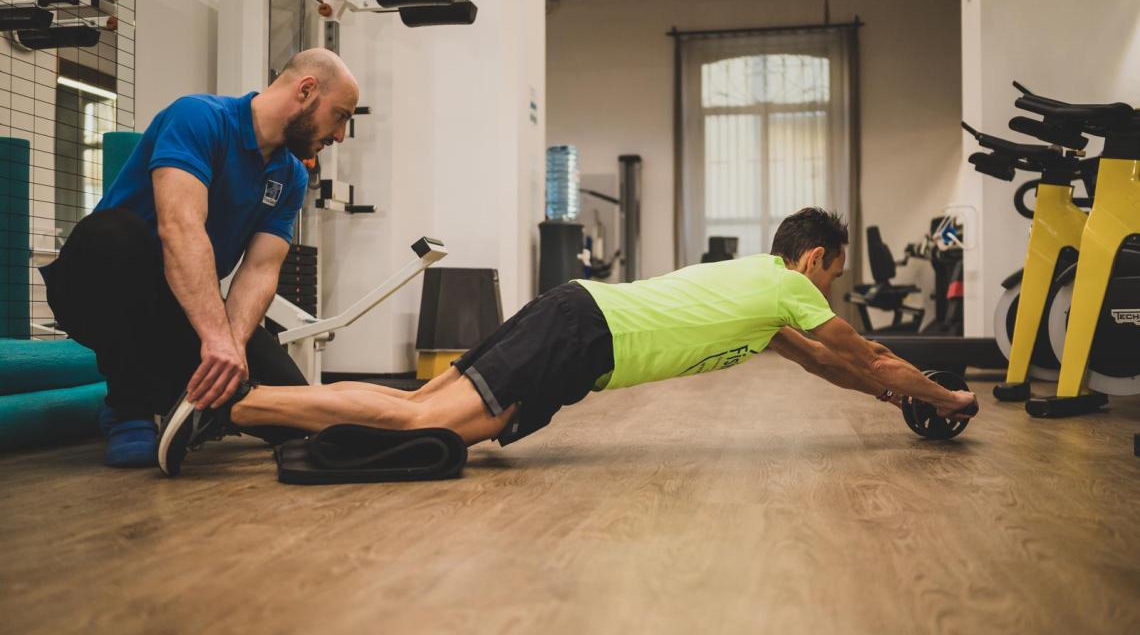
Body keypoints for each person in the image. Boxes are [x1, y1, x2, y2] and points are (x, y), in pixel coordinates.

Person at [158, 208, 980, 476]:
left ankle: (246, 407)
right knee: (425, 424)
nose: (830, 290)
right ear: (815, 259)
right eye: (831, 276)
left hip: (576, 329)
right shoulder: (786, 287)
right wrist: (948, 396)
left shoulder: (767, 302)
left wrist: (890, 394)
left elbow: (837, 366)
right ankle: (236, 402)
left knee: (434, 421)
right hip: (579, 330)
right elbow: (865, 352)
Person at [42, 49, 360, 467]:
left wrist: (233, 343)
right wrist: (214, 338)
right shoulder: (199, 118)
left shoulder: (291, 175)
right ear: (306, 90)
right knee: (113, 233)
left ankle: (200, 407)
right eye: (340, 116)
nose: (339, 135)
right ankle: (129, 408)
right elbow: (180, 228)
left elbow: (261, 269)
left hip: (178, 305)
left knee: (294, 417)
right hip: (97, 289)